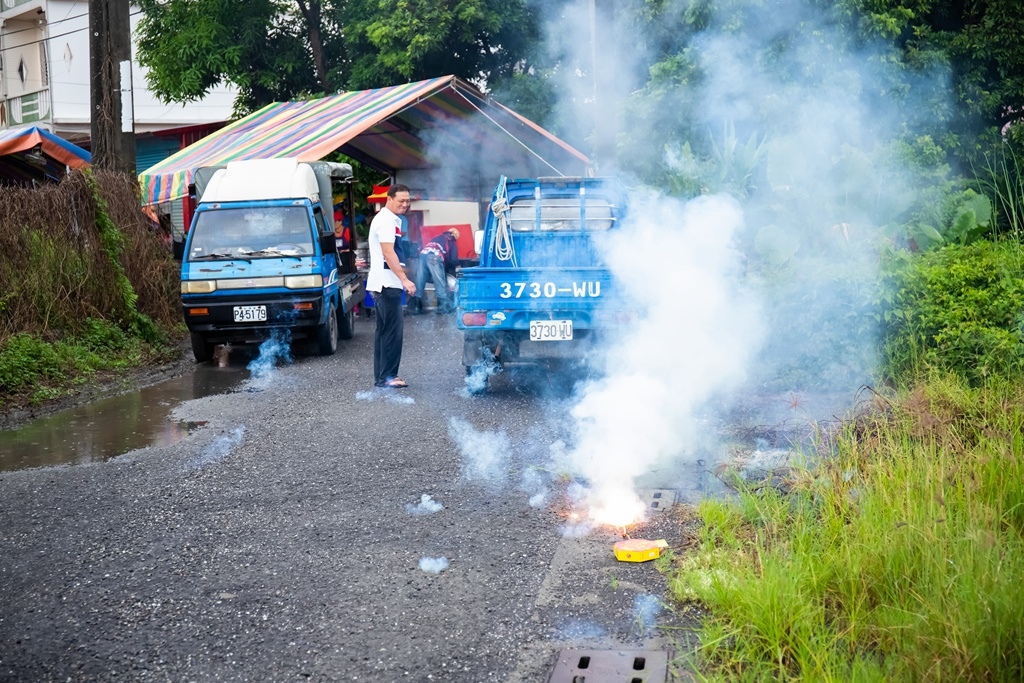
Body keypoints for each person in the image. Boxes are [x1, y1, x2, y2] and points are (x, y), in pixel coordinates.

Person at [366, 184, 417, 388]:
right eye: (401, 201)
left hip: (383, 282)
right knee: (392, 332)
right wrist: (404, 279)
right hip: (387, 283)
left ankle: (382, 377)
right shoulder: (386, 220)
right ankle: (388, 376)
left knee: (384, 331)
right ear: (389, 199)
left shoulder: (387, 219)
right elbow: (388, 252)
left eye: (407, 201)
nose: (405, 204)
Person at [410, 228, 461, 314]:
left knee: (420, 281)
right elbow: (453, 259)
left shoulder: (436, 238)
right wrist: (458, 266)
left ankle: (416, 308)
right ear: (454, 236)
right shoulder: (451, 241)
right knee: (440, 283)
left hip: (423, 256)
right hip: (434, 257)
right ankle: (443, 308)